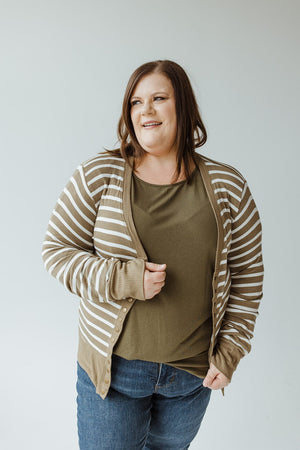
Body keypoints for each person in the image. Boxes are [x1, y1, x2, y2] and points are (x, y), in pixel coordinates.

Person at [42, 59, 264, 449]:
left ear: (184, 106)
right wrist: (124, 279)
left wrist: (230, 351)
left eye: (159, 98)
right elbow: (56, 252)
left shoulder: (228, 185)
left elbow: (248, 275)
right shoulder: (98, 174)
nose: (145, 110)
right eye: (135, 102)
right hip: (114, 375)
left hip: (192, 380)